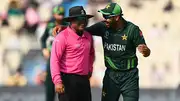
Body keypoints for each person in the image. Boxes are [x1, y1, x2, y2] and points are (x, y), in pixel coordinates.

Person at [53, 3, 151, 101]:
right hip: (111, 75)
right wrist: (64, 27)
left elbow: (146, 52)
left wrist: (146, 51)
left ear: (116, 17)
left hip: (129, 76)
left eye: (107, 16)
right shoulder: (103, 26)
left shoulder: (132, 30)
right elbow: (83, 29)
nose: (104, 19)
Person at [50, 6, 95, 101]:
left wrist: (90, 69)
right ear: (71, 20)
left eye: (84, 19)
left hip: (84, 81)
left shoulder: (88, 36)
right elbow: (55, 60)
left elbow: (91, 54)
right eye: (79, 19)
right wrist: (57, 81)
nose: (83, 22)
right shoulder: (62, 37)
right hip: (67, 80)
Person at [40, 5, 68, 101]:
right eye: (58, 14)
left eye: (62, 14)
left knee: (64, 83)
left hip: (64, 58)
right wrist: (44, 49)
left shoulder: (67, 26)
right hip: (52, 57)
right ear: (54, 14)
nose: (60, 16)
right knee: (50, 83)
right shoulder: (50, 25)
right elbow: (43, 39)